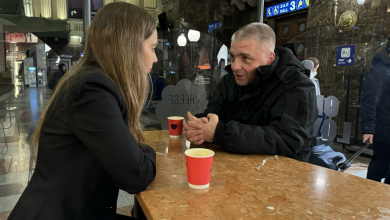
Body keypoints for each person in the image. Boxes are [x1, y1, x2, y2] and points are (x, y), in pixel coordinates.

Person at [8, 2, 158, 220]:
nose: (155, 58)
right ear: (130, 47)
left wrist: (140, 153)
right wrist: (153, 154)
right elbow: (136, 175)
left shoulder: (90, 80)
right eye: (152, 48)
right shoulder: (93, 90)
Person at [183, 23, 318, 162]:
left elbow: (288, 142)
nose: (235, 66)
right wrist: (199, 125)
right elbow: (214, 114)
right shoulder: (229, 81)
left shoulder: (297, 86)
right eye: (233, 57)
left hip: (282, 176)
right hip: (234, 168)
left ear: (269, 58)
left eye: (245, 58)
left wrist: (219, 133)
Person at [361, 41, 390, 184]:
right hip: (384, 131)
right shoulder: (380, 71)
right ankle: (370, 199)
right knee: (378, 169)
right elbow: (370, 101)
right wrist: (368, 129)